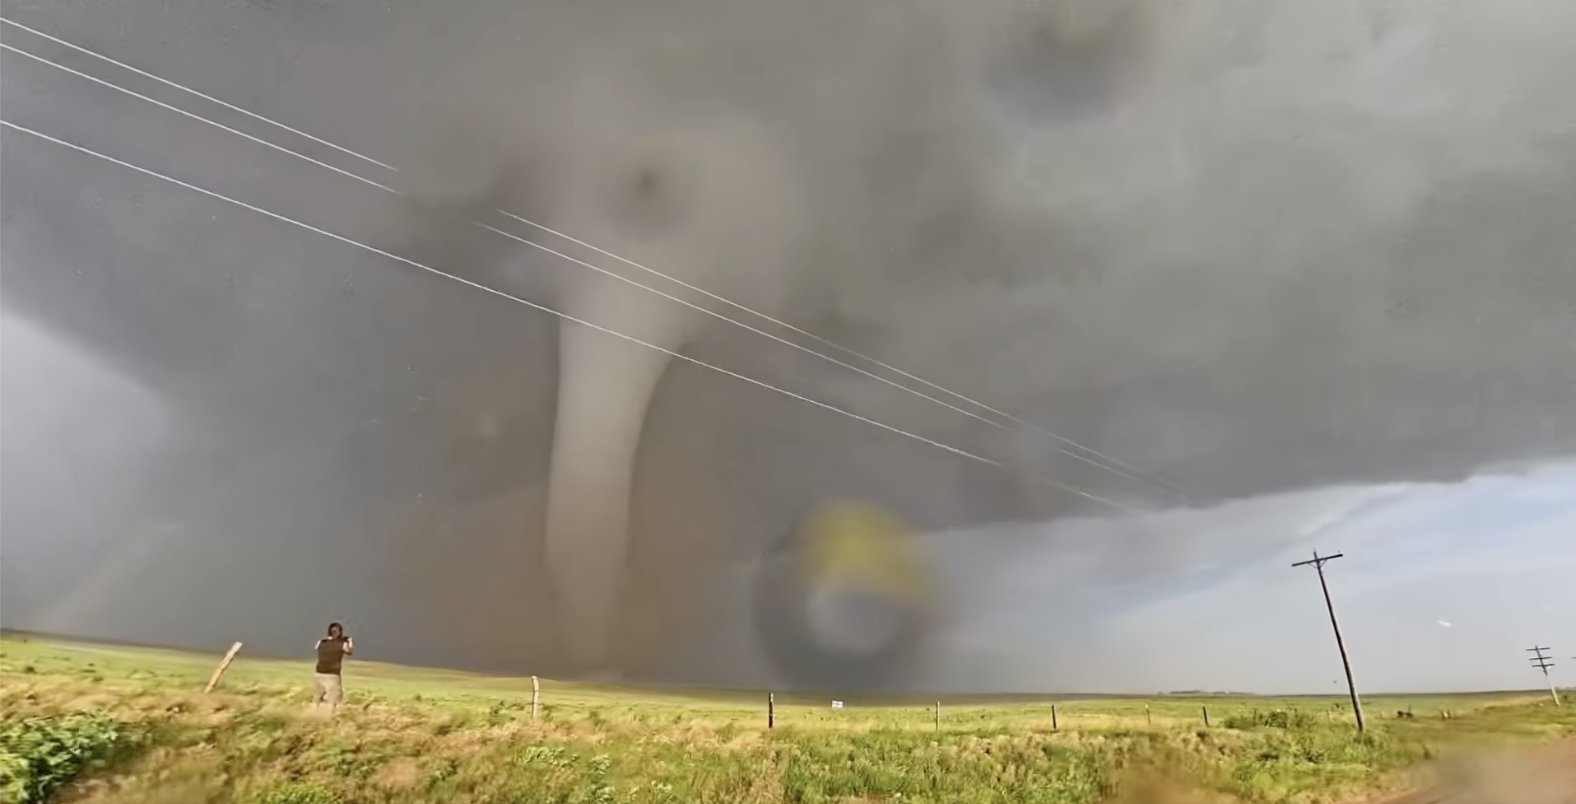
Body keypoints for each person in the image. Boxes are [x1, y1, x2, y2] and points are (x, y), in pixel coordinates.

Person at [313, 622, 354, 710]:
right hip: (332, 674)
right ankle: (328, 718)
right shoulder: (342, 645)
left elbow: (316, 647)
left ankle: (310, 715)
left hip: (319, 672)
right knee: (333, 699)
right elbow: (350, 651)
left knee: (317, 697)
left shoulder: (321, 642)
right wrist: (349, 641)